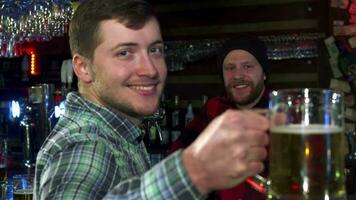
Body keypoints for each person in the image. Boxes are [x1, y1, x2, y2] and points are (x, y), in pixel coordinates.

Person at [33, 0, 269, 199]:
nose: (150, 70)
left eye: (155, 50)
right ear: (83, 68)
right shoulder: (88, 147)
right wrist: (193, 172)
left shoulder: (117, 134)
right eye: (125, 53)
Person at [167, 35, 271, 200]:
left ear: (264, 73)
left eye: (247, 66)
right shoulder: (213, 109)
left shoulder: (283, 113)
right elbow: (175, 162)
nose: (238, 75)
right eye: (230, 68)